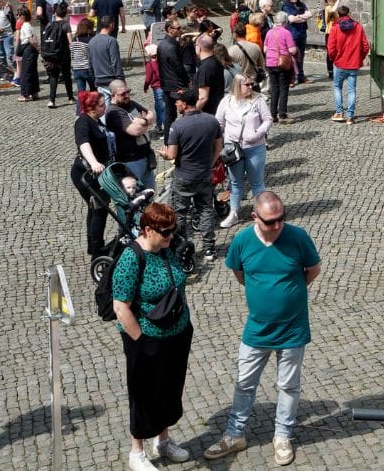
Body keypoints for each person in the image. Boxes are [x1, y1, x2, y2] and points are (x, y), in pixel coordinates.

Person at [204, 191, 321, 467]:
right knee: (244, 383)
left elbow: (313, 270)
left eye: (281, 218)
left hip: (293, 329)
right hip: (257, 329)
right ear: (255, 217)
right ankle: (235, 434)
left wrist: (289, 293)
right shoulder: (242, 241)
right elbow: (239, 274)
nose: (278, 225)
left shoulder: (298, 237)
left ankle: (282, 436)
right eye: (271, 221)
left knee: (288, 385)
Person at [111, 201, 194, 471]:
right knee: (144, 393)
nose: (172, 236)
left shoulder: (166, 247)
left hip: (176, 332)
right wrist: (142, 341)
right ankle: (137, 451)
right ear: (148, 230)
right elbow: (120, 307)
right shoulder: (131, 258)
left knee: (170, 388)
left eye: (174, 230)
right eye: (166, 232)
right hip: (146, 339)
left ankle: (163, 439)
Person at [161, 85, 222, 261]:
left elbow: (172, 154)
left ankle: (182, 248)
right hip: (204, 176)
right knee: (205, 210)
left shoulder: (177, 126)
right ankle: (209, 248)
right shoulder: (211, 121)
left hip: (184, 178)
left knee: (179, 213)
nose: (175, 104)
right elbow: (218, 146)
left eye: (177, 102)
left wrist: (164, 154)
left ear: (185, 104)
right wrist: (209, 164)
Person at [216, 74, 273, 228]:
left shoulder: (258, 100)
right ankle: (233, 213)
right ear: (237, 86)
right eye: (246, 84)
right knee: (235, 182)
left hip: (255, 147)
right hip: (233, 149)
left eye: (251, 84)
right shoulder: (226, 101)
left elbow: (268, 120)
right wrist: (223, 141)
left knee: (257, 182)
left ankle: (262, 212)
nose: (250, 87)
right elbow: (219, 123)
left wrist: (257, 134)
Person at [72, 90, 111, 257]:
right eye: (102, 105)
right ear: (91, 108)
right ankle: (97, 249)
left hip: (98, 172)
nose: (105, 108)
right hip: (86, 174)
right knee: (100, 208)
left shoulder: (96, 121)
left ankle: (92, 244)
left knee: (94, 207)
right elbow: (84, 144)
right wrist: (94, 162)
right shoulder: (83, 122)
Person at [107, 79, 156, 189]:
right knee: (134, 198)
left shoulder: (131, 104)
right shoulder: (114, 112)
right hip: (130, 162)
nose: (127, 95)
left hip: (145, 157)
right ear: (113, 95)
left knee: (149, 195)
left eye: (128, 92)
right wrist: (147, 123)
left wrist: (143, 121)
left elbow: (152, 114)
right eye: (122, 94)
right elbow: (135, 131)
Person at [326, 3, 370, 124]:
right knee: (351, 90)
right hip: (353, 63)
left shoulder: (335, 28)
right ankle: (350, 116)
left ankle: (339, 112)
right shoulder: (358, 27)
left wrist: (334, 58)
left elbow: (331, 48)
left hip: (339, 63)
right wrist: (360, 57)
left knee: (337, 87)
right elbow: (366, 46)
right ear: (349, 13)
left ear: (338, 15)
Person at [156, 18, 189, 143]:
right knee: (184, 111)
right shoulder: (170, 47)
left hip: (166, 83)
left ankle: (168, 141)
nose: (180, 30)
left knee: (170, 114)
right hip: (176, 85)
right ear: (170, 30)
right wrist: (187, 80)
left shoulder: (163, 44)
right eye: (178, 28)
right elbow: (178, 67)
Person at [264, 12, 298, 124]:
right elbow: (292, 50)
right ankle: (282, 115)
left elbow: (265, 49)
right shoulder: (286, 33)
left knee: (274, 89)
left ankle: (272, 115)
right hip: (282, 63)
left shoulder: (269, 32)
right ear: (284, 22)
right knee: (283, 89)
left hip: (270, 63)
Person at [43, 1, 75, 108]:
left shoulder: (49, 25)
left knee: (53, 77)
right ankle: (70, 98)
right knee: (66, 76)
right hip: (64, 55)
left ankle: (52, 100)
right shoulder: (66, 25)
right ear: (65, 14)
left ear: (55, 14)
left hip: (52, 55)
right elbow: (70, 41)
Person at [88, 16, 124, 106]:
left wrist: (94, 79)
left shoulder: (91, 42)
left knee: (104, 109)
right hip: (112, 81)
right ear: (111, 24)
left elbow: (90, 63)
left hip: (99, 80)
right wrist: (121, 80)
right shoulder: (111, 41)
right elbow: (115, 62)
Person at [281, 0, 313, 84]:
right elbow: (291, 19)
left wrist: (298, 17)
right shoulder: (285, 6)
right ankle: (291, 78)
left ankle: (301, 77)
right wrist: (302, 17)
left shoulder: (301, 4)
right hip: (291, 34)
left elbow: (310, 14)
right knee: (291, 56)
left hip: (302, 33)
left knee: (301, 56)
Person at [16, 6, 41, 102]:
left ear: (22, 16)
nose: (17, 17)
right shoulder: (29, 25)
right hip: (31, 50)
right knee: (32, 71)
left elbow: (30, 39)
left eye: (18, 15)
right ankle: (34, 92)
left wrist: (37, 48)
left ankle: (25, 94)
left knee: (26, 73)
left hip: (29, 49)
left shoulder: (25, 26)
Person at [142, 44, 166, 135]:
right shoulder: (163, 62)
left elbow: (148, 79)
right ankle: (159, 125)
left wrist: (145, 87)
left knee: (160, 108)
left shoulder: (149, 65)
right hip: (165, 87)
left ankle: (164, 128)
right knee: (163, 108)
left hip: (157, 88)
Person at [70, 17, 95, 95]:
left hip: (77, 69)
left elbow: (72, 55)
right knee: (94, 90)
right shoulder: (90, 40)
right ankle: (94, 106)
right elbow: (92, 56)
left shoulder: (74, 40)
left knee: (81, 93)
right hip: (87, 69)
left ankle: (80, 107)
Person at [321, 0, 339, 78]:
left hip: (336, 33)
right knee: (330, 52)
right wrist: (339, 1)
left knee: (337, 51)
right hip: (330, 33)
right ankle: (330, 71)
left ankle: (336, 69)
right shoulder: (328, 7)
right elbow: (332, 11)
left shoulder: (335, 7)